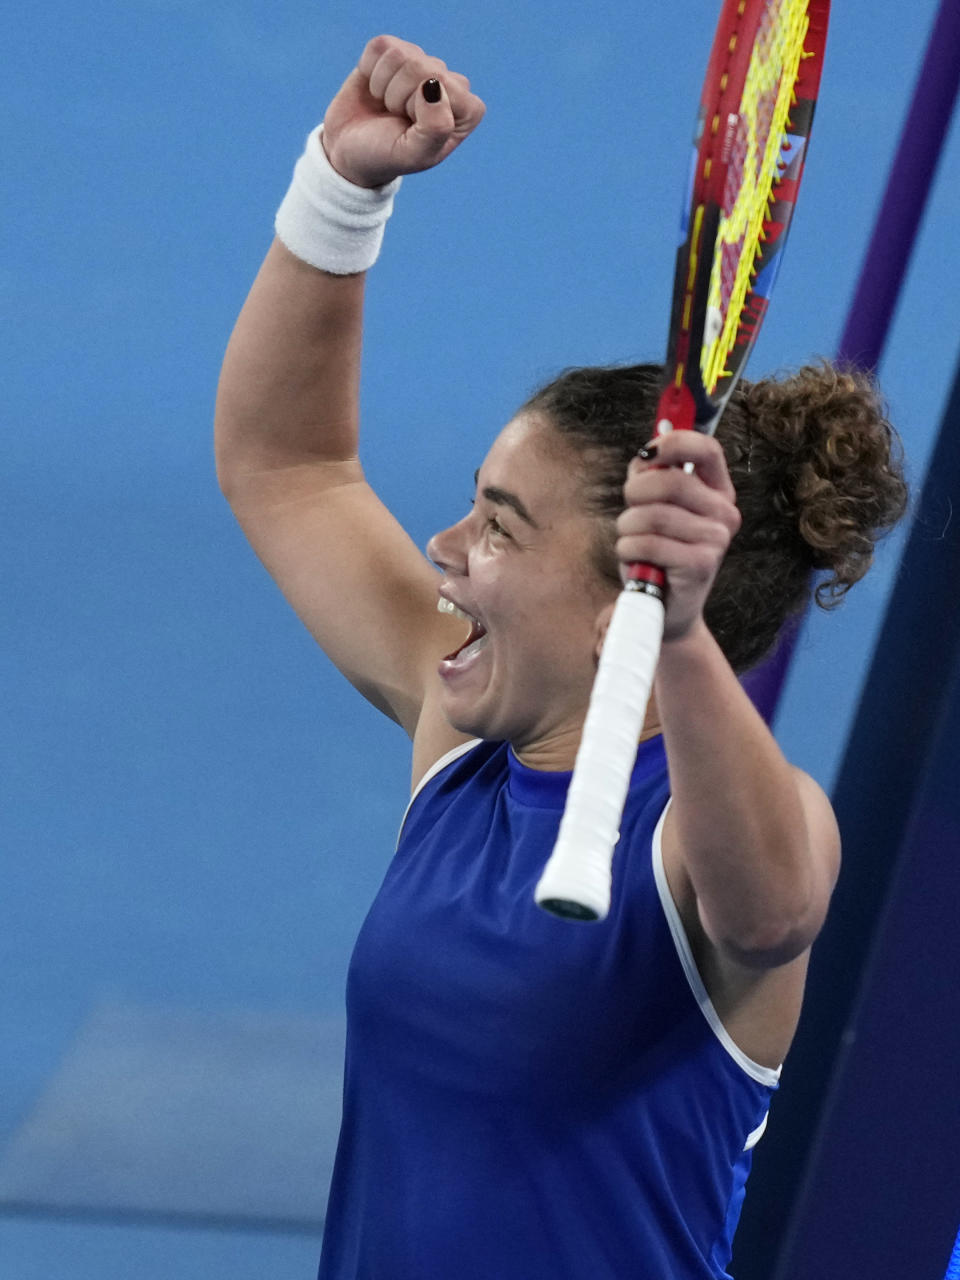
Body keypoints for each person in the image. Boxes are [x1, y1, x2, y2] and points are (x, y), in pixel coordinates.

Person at [214, 35, 907, 1280]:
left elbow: (775, 906)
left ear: (618, 604)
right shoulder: (459, 744)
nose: (445, 544)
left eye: (499, 523)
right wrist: (344, 185)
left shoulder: (707, 836)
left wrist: (681, 636)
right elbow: (289, 467)